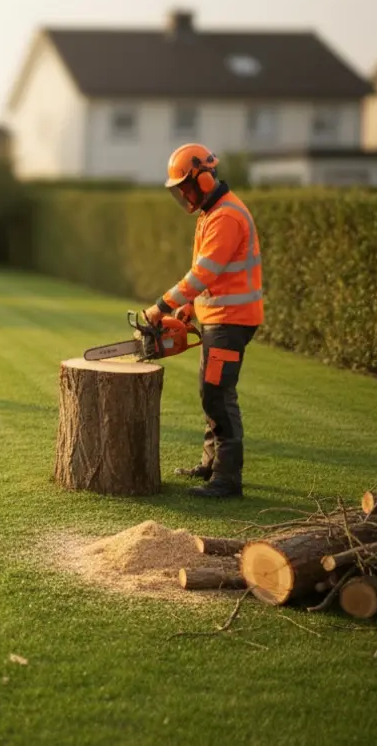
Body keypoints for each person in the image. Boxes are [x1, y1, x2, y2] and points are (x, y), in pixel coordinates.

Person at [142, 143, 263, 499]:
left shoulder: (226, 216)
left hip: (231, 320)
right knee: (210, 392)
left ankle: (227, 480)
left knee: (219, 395)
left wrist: (161, 306)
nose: (185, 195)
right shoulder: (211, 214)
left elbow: (204, 272)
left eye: (187, 187)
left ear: (205, 179)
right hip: (219, 318)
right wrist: (190, 306)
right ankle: (211, 464)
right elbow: (211, 275)